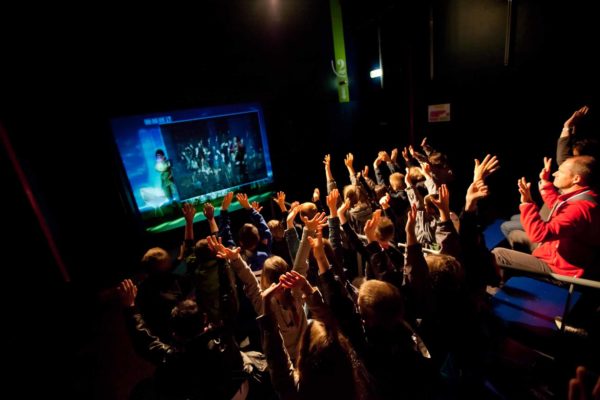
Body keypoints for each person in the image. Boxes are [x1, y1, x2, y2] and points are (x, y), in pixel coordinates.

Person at [493, 155, 599, 279]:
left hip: (560, 269)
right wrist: (545, 183)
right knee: (514, 235)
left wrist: (527, 203)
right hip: (551, 250)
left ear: (576, 179)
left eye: (560, 171)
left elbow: (538, 234)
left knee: (498, 255)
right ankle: (515, 273)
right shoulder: (584, 196)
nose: (555, 173)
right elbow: (559, 207)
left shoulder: (580, 209)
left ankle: (496, 290)